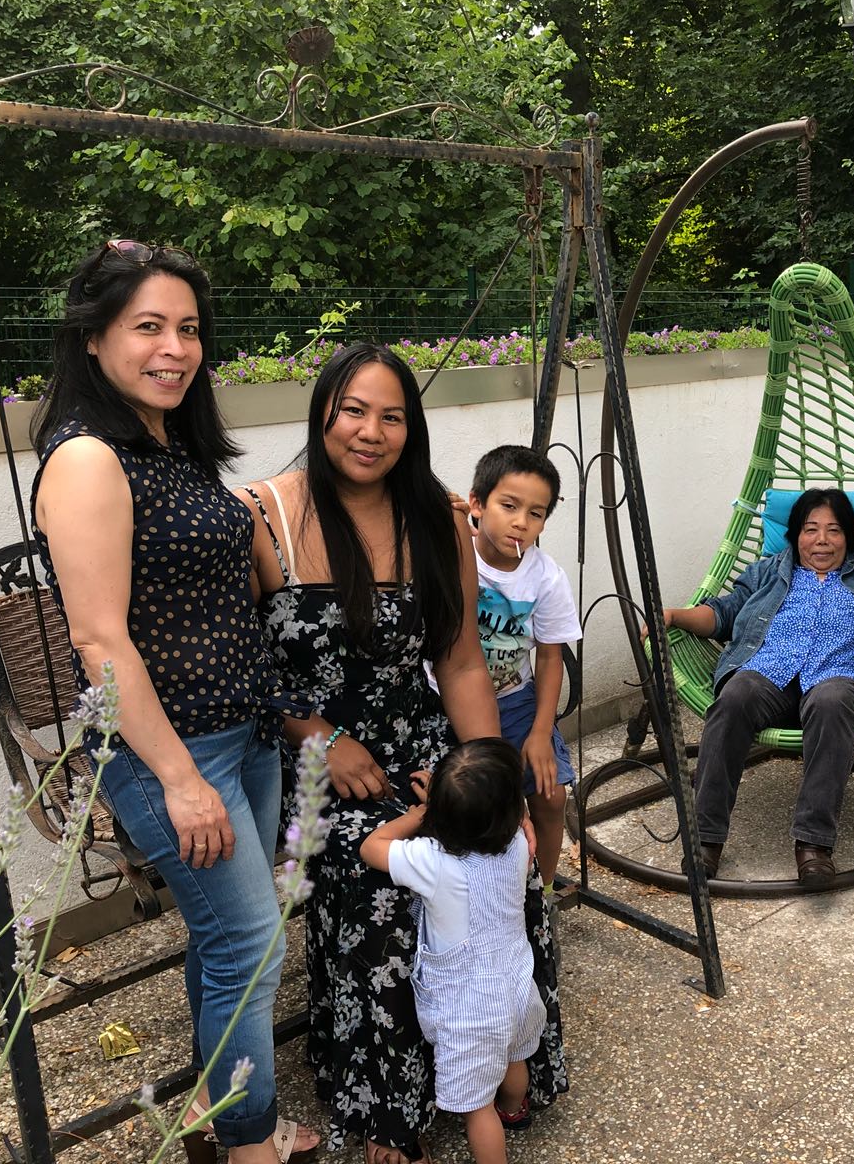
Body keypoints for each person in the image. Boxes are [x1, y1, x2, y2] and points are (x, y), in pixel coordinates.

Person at [236, 343, 567, 1164]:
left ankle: (501, 1059)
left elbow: (459, 661)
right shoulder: (263, 517)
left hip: (420, 743)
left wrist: (494, 784)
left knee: (498, 857)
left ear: (411, 429)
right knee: (381, 889)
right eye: (353, 410)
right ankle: (392, 1102)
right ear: (322, 412)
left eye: (391, 416)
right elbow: (245, 667)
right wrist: (319, 736)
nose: (371, 431)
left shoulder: (439, 519)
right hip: (315, 761)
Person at [29, 240, 319, 1163]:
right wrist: (181, 780)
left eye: (188, 329)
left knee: (228, 942)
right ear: (93, 339)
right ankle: (249, 1142)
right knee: (253, 948)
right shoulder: (87, 460)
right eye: (148, 326)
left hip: (245, 731)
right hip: (176, 752)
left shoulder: (168, 444)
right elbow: (99, 641)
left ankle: (212, 1115)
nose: (175, 348)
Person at [661, 487, 854, 888]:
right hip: (769, 672)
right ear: (796, 534)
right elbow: (721, 614)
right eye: (811, 529)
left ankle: (813, 844)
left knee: (830, 703)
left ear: (848, 536)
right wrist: (673, 615)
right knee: (734, 698)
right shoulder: (769, 571)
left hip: (840, 675)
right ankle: (705, 839)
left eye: (834, 530)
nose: (822, 540)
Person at [360, 738, 548, 1164]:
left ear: (441, 816)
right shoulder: (518, 843)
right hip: (518, 984)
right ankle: (514, 1109)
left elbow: (371, 847)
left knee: (477, 1110)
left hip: (469, 1010)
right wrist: (452, 806)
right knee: (514, 1057)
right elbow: (499, 811)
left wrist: (419, 815)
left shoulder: (432, 862)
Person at [465, 445, 582, 890]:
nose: (521, 522)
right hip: (445, 698)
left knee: (551, 796)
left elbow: (550, 656)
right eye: (509, 506)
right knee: (477, 801)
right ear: (478, 503)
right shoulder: (455, 552)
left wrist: (540, 731)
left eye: (536, 513)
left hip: (515, 700)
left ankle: (544, 892)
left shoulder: (546, 578)